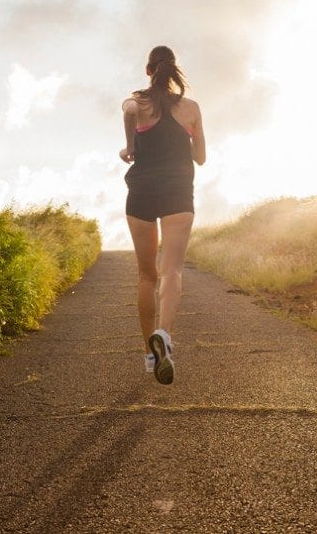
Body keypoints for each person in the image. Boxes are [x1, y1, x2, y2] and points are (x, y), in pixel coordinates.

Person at [119, 46, 206, 385]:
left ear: (148, 70)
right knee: (172, 270)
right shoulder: (190, 108)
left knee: (146, 275)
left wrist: (129, 147)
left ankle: (148, 353)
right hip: (178, 191)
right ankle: (165, 336)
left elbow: (128, 112)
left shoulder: (137, 101)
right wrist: (189, 136)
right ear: (172, 70)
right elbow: (200, 158)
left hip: (142, 189)